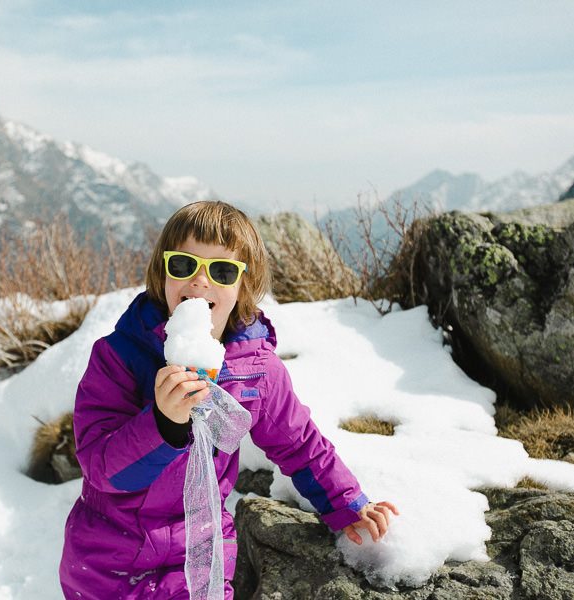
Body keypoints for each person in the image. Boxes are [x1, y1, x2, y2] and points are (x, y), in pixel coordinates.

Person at [59, 200, 398, 599]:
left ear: (243, 287)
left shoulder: (255, 370)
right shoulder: (120, 357)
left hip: (200, 555)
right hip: (111, 562)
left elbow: (300, 444)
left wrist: (348, 504)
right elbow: (101, 469)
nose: (200, 282)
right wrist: (163, 424)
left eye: (221, 270)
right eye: (184, 265)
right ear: (162, 274)